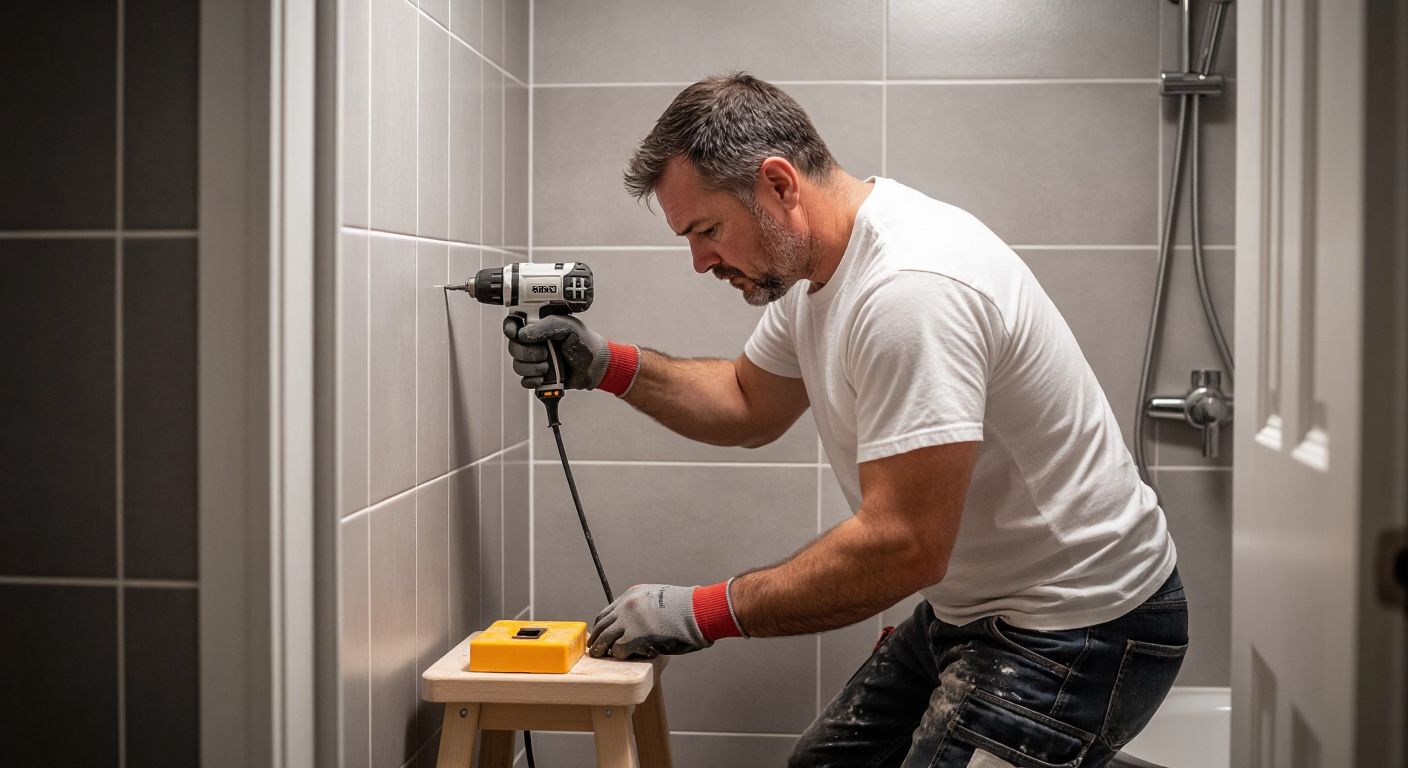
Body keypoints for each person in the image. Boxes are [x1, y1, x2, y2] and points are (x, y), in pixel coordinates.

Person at [504, 72, 1188, 767]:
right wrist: (605, 365)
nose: (700, 261)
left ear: (778, 184)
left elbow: (903, 545)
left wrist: (701, 611)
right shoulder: (818, 277)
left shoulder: (910, 291)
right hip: (973, 609)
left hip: (1083, 622)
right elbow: (746, 402)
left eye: (708, 230)